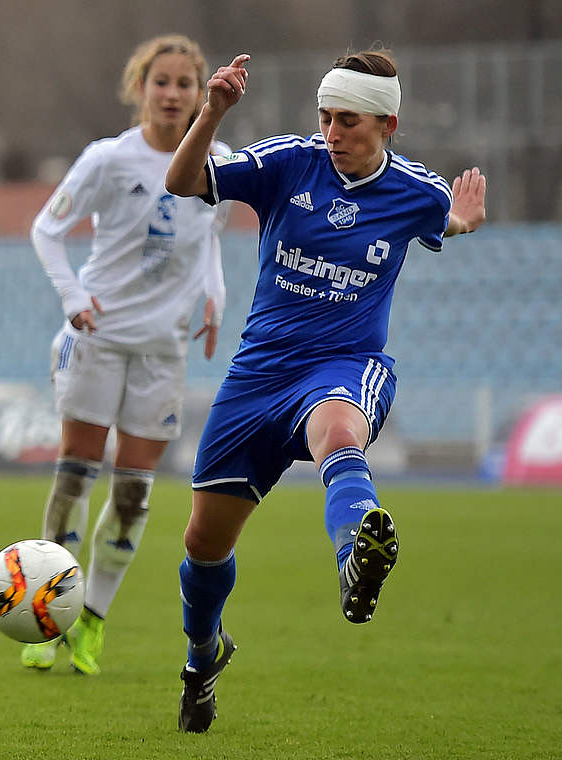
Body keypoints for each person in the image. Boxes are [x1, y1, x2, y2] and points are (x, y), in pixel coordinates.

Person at [162, 48, 486, 732]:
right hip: (259, 374)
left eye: (349, 122)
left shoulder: (414, 191)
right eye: (326, 117)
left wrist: (460, 220)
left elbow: (442, 220)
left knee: (340, 432)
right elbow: (183, 181)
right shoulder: (290, 162)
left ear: (388, 124)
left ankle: (355, 559)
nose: (333, 132)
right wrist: (213, 111)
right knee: (202, 545)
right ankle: (202, 655)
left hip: (343, 364)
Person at [23, 34, 229, 675]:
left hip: (163, 350)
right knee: (76, 474)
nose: (172, 95)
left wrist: (214, 298)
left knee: (135, 493)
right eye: (160, 82)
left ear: (201, 94)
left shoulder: (216, 160)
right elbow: (47, 229)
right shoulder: (108, 160)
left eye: (184, 84)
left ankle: (91, 622)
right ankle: (46, 618)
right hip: (99, 340)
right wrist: (71, 295)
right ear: (140, 88)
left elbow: (209, 238)